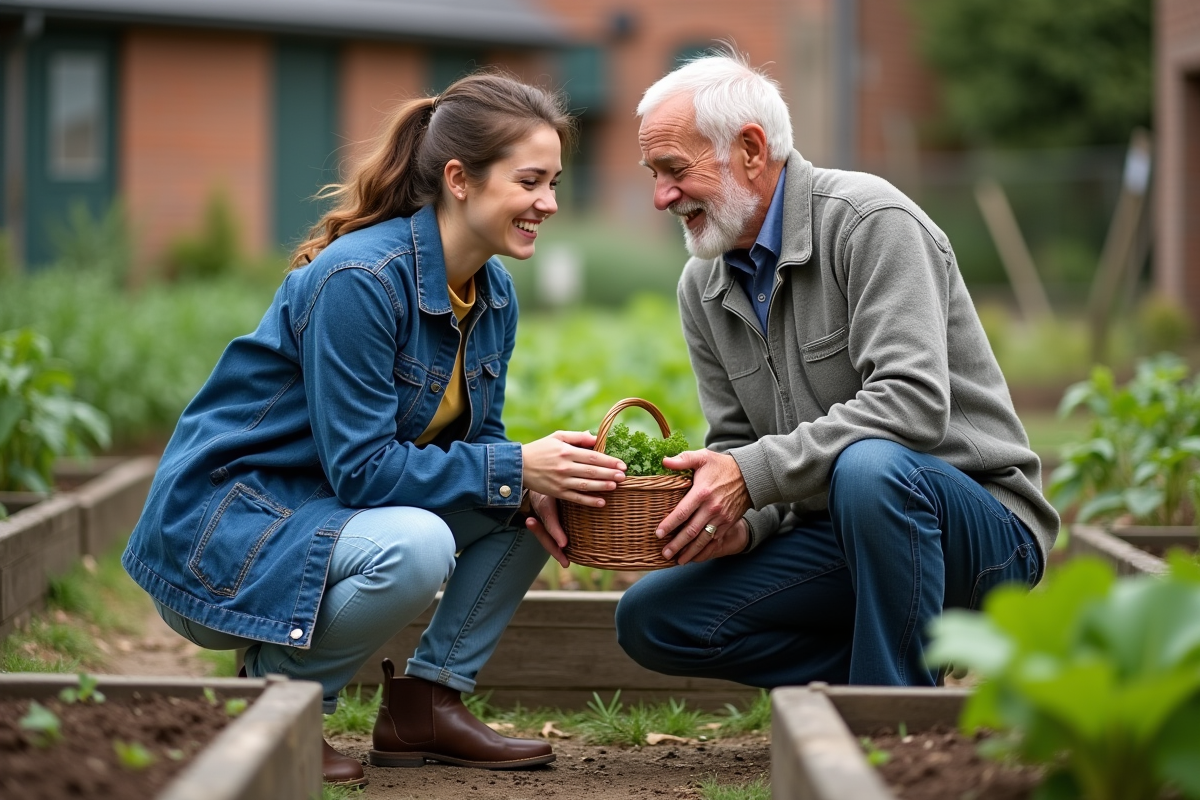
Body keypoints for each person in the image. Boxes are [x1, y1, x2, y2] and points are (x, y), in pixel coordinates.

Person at [122, 72, 627, 787]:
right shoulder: (360, 280)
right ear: (460, 178)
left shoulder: (493, 290)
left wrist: (528, 477)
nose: (548, 203)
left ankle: (426, 705)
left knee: (535, 506)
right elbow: (361, 470)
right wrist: (513, 467)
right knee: (423, 542)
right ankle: (280, 704)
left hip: (322, 523)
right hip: (229, 539)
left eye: (554, 183)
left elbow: (477, 445)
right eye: (531, 181)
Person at [529, 50, 1059, 689]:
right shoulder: (703, 284)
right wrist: (738, 526)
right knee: (655, 617)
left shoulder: (869, 223)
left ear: (750, 150)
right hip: (842, 537)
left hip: (977, 534)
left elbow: (913, 404)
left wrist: (749, 477)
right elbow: (736, 447)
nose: (660, 195)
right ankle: (885, 667)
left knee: (870, 467)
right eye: (653, 172)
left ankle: (888, 719)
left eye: (674, 169)